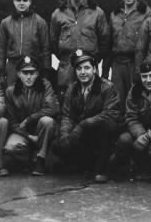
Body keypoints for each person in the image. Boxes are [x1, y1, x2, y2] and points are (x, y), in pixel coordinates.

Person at [51, 50, 122, 183]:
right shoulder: (72, 89)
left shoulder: (107, 88)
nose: (83, 72)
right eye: (79, 69)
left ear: (94, 69)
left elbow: (110, 114)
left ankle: (102, 169)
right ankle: (83, 165)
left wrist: (83, 124)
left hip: (100, 135)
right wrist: (66, 135)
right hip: (82, 135)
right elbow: (67, 115)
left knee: (107, 128)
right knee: (57, 145)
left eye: (87, 68)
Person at [50, 0, 110, 101]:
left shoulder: (97, 13)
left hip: (88, 65)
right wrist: (65, 57)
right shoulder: (58, 14)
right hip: (67, 67)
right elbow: (53, 41)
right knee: (66, 101)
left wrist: (93, 60)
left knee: (90, 99)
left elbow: (104, 40)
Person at [105, 0, 151, 113]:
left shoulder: (147, 13)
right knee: (117, 101)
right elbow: (109, 44)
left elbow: (150, 44)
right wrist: (105, 70)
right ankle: (120, 132)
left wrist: (143, 69)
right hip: (117, 65)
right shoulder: (114, 15)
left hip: (136, 63)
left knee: (136, 100)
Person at [4, 55, 60, 176]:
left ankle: (41, 159)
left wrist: (30, 118)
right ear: (18, 74)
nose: (28, 77)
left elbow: (52, 108)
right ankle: (28, 159)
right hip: (22, 131)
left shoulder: (45, 86)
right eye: (25, 73)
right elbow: (12, 121)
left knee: (47, 121)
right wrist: (28, 136)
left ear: (37, 73)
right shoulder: (11, 91)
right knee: (10, 147)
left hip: (41, 130)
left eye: (32, 73)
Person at [0, 0, 51, 88]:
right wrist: (1, 73)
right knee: (12, 96)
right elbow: (1, 50)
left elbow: (46, 49)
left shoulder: (40, 22)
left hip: (33, 66)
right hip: (13, 67)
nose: (21, 3)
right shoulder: (5, 23)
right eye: (18, 0)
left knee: (33, 98)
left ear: (30, 1)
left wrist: (46, 73)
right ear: (13, 1)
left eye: (25, 0)